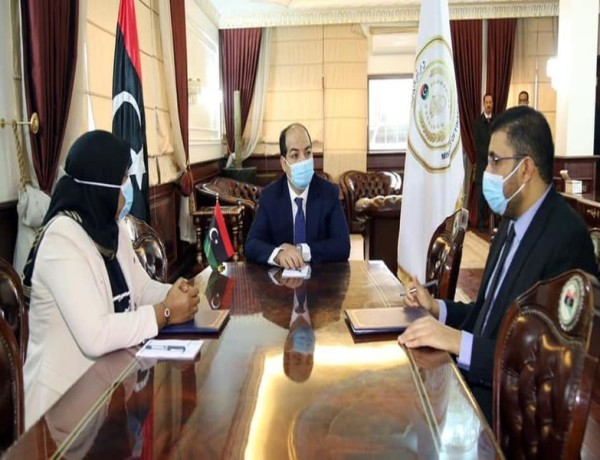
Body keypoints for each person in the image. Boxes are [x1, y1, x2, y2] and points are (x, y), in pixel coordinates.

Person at [398, 106, 596, 424]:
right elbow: (487, 315)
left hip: (509, 417)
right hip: (473, 390)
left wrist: (455, 341)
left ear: (526, 169)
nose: (486, 171)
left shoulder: (566, 239)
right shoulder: (509, 223)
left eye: (494, 160)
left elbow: (544, 363)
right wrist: (437, 309)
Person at [22, 130, 200, 428]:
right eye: (123, 180)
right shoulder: (61, 239)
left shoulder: (110, 228)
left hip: (109, 388)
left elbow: (141, 288)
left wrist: (175, 292)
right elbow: (95, 335)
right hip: (61, 412)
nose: (127, 189)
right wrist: (166, 313)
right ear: (102, 186)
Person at [245, 123, 350, 268]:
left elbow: (342, 245)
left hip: (320, 278)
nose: (303, 161)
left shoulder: (329, 192)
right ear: (284, 164)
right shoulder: (270, 196)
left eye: (307, 153)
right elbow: (252, 244)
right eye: (295, 155)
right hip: (280, 280)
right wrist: (278, 254)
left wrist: (302, 251)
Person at [473, 93, 494, 231]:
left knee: (493, 195)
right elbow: (478, 145)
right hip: (482, 165)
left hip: (495, 166)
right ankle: (481, 223)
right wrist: (488, 155)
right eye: (487, 102)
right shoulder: (477, 123)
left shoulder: (497, 121)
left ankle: (492, 223)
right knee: (481, 197)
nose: (489, 104)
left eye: (491, 102)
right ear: (483, 103)